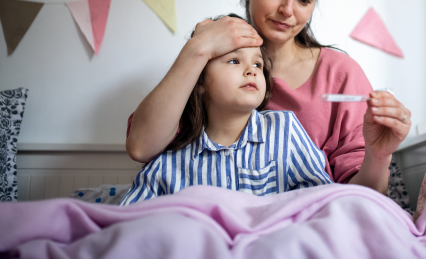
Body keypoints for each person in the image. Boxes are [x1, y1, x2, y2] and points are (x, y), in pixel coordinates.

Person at [126, 0, 411, 194]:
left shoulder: (341, 73)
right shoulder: (209, 59)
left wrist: (378, 156)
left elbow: (365, 198)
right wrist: (197, 49)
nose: (287, 10)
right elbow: (141, 147)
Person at [121, 20, 332, 205]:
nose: (252, 70)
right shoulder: (170, 155)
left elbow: (321, 197)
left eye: (258, 64)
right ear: (200, 80)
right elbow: (133, 219)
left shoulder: (285, 129)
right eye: (234, 61)